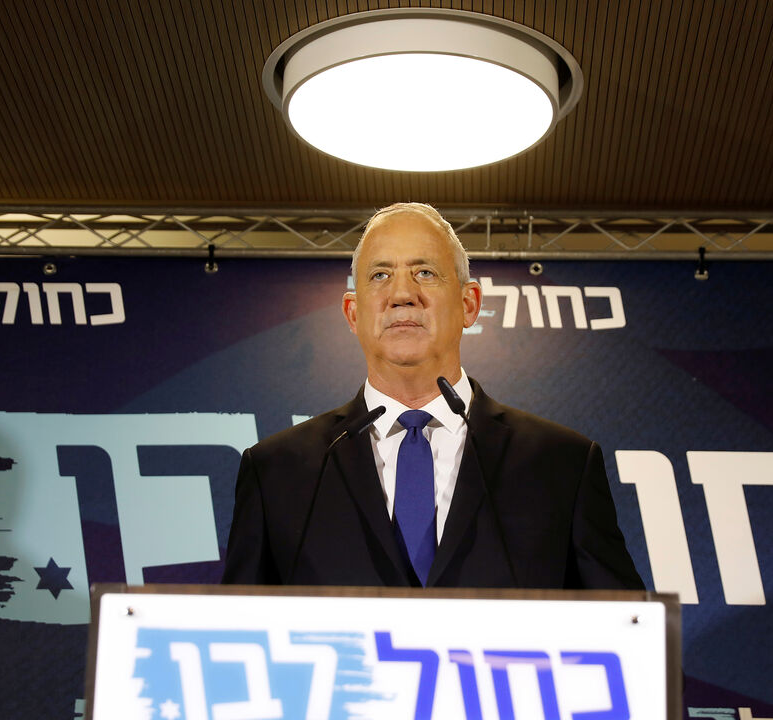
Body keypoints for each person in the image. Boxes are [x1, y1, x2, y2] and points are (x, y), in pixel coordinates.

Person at [223, 202, 643, 589]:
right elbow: (231, 639)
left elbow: (633, 636)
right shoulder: (277, 472)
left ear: (469, 303)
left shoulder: (561, 466)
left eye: (425, 272)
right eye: (380, 275)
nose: (402, 294)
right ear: (353, 313)